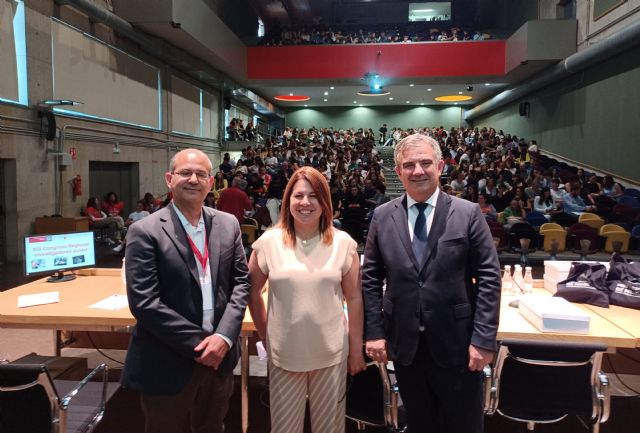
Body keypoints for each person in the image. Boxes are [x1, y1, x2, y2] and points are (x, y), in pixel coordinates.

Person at [362, 134, 501, 433]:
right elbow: (371, 278)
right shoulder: (383, 217)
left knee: (463, 425)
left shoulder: (467, 213)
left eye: (425, 163)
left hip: (459, 345)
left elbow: (490, 276)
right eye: (409, 165)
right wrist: (374, 332)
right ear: (398, 172)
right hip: (406, 346)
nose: (418, 171)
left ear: (440, 166)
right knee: (420, 424)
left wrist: (483, 339)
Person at [121, 149, 250, 433]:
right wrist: (203, 345)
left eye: (201, 174)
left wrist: (224, 337)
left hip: (220, 359)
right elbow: (144, 302)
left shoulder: (227, 224)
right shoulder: (145, 231)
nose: (193, 179)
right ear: (169, 179)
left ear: (211, 181)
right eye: (185, 173)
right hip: (167, 358)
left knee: (213, 427)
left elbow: (241, 283)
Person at [247, 166, 366, 433]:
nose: (305, 203)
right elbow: (252, 290)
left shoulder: (343, 243)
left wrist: (356, 350)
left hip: (331, 353)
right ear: (288, 200)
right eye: (298, 195)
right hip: (285, 354)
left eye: (314, 196)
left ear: (325, 202)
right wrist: (265, 334)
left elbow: (355, 298)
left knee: (330, 429)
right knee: (284, 428)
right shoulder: (269, 241)